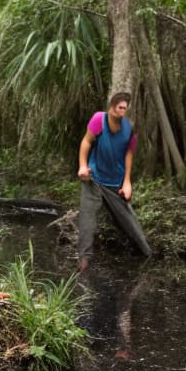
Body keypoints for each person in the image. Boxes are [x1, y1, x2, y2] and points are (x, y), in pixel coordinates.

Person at [77, 91, 151, 272]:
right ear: (111, 107)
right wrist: (82, 166)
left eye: (125, 108)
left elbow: (129, 154)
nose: (122, 111)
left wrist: (127, 182)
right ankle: (84, 261)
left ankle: (147, 255)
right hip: (93, 178)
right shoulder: (98, 120)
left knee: (129, 221)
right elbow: (86, 142)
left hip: (114, 182)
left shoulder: (129, 129)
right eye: (120, 107)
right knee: (87, 219)